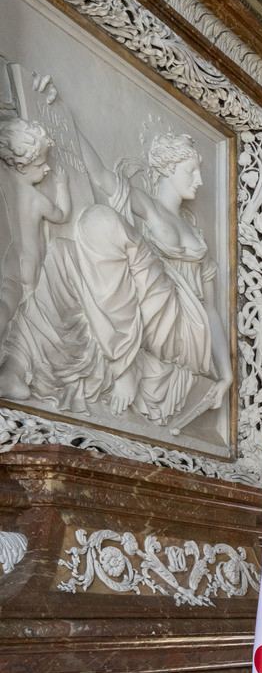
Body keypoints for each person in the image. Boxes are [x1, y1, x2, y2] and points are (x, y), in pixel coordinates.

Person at [0, 124, 231, 439]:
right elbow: (99, 174)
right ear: (169, 168)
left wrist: (226, 374)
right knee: (62, 254)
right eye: (191, 171)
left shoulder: (198, 238)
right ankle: (15, 366)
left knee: (101, 220)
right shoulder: (148, 207)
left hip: (183, 326)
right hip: (151, 298)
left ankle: (126, 364)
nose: (199, 180)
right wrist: (64, 116)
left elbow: (212, 311)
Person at [0, 117, 70, 340]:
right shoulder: (35, 199)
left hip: (10, 262)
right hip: (28, 264)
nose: (48, 168)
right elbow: (62, 215)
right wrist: (62, 186)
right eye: (40, 165)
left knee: (9, 306)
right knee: (28, 318)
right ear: (20, 166)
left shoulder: (6, 184)